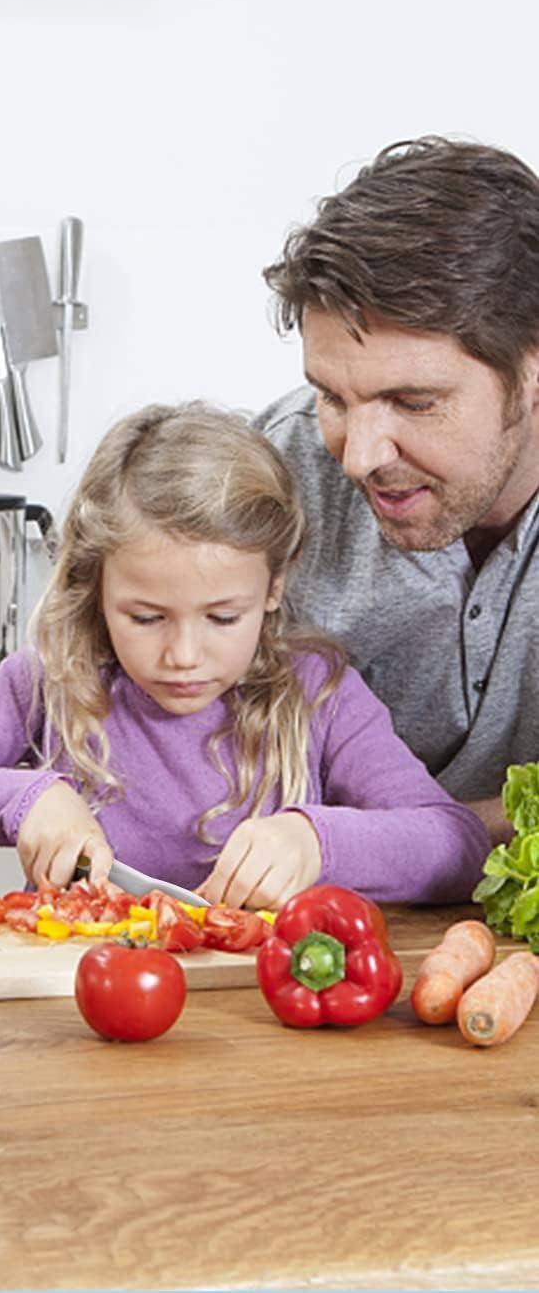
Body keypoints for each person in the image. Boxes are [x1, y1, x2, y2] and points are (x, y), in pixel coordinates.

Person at [0, 402, 490, 911]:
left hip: (263, 1018)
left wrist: (316, 841)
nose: (183, 655)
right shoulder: (55, 679)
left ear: (273, 587)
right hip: (83, 1003)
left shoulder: (318, 690)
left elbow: (455, 845)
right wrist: (25, 800)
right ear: (97, 585)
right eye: (146, 617)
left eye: (222, 618)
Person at [258, 136, 539, 836]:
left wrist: (407, 842)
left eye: (413, 402)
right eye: (332, 396)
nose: (359, 455)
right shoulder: (267, 479)